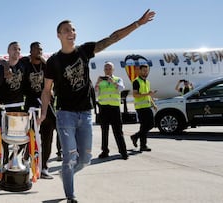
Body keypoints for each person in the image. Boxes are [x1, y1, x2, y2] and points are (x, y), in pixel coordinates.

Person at [38, 9, 155, 203]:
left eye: (73, 29)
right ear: (59, 35)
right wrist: (43, 112)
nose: (71, 32)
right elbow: (46, 89)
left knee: (85, 159)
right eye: (66, 30)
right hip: (65, 113)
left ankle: (66, 175)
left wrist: (137, 23)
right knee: (69, 156)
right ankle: (70, 196)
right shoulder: (53, 61)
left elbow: (113, 38)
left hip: (85, 114)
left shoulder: (84, 51)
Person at [21, 42, 57, 179]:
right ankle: (24, 156)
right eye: (36, 49)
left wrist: (45, 61)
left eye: (41, 49)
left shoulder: (46, 64)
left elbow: (55, 74)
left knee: (48, 136)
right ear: (30, 51)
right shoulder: (25, 62)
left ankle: (44, 167)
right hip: (31, 104)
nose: (39, 51)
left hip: (46, 102)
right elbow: (9, 63)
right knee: (30, 136)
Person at [0, 41, 27, 166]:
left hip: (20, 108)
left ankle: (12, 159)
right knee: (5, 140)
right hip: (4, 108)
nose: (17, 51)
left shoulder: (23, 65)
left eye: (19, 49)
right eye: (14, 49)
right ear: (8, 51)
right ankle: (4, 164)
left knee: (24, 139)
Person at [95, 62, 128, 160]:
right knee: (104, 131)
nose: (107, 70)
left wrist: (113, 81)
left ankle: (123, 152)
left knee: (118, 131)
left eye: (109, 69)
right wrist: (97, 82)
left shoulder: (118, 79)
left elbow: (121, 88)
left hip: (114, 108)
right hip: (104, 108)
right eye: (106, 69)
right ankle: (104, 151)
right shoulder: (101, 81)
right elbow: (96, 91)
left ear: (113, 70)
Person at [130, 64, 157, 152]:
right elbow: (135, 94)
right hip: (140, 107)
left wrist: (153, 104)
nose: (145, 72)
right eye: (144, 70)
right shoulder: (136, 81)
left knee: (148, 125)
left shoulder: (147, 82)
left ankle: (137, 139)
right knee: (146, 125)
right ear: (140, 71)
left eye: (147, 70)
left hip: (147, 106)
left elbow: (148, 95)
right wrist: (148, 94)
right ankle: (142, 143)